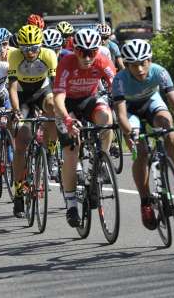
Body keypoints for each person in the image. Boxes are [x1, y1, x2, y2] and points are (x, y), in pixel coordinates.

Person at [112, 39, 174, 230]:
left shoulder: (160, 71)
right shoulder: (120, 80)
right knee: (141, 152)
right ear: (127, 64)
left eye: (143, 63)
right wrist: (130, 133)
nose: (139, 69)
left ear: (150, 60)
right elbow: (121, 115)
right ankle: (145, 201)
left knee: (169, 131)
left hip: (151, 102)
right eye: (134, 65)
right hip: (130, 111)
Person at [53, 28, 116, 227]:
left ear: (98, 50)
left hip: (89, 100)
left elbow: (116, 86)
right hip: (67, 106)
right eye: (82, 52)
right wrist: (68, 120)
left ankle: (100, 160)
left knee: (107, 119)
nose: (87, 57)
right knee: (72, 150)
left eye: (92, 51)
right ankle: (71, 203)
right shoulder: (66, 63)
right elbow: (58, 99)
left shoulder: (102, 61)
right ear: (75, 50)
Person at [7, 25, 59, 217]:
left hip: (42, 92)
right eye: (26, 49)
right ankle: (19, 193)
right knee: (22, 142)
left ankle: (51, 149)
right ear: (20, 48)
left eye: (34, 48)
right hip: (22, 96)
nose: (30, 53)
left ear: (41, 46)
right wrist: (15, 112)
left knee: (53, 108)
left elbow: (55, 87)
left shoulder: (49, 55)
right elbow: (12, 88)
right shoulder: (14, 56)